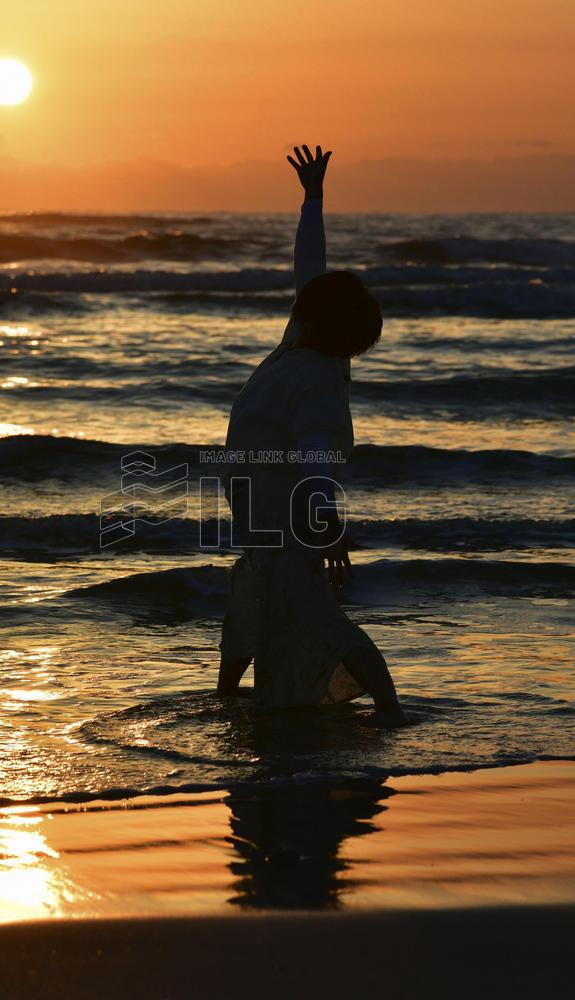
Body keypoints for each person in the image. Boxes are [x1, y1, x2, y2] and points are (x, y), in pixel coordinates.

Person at [217, 144, 407, 728]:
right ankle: (228, 696)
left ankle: (390, 707)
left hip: (288, 521)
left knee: (315, 619)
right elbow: (311, 267)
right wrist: (313, 199)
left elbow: (315, 462)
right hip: (261, 522)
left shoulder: (318, 380)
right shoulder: (301, 339)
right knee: (250, 611)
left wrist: (325, 526)